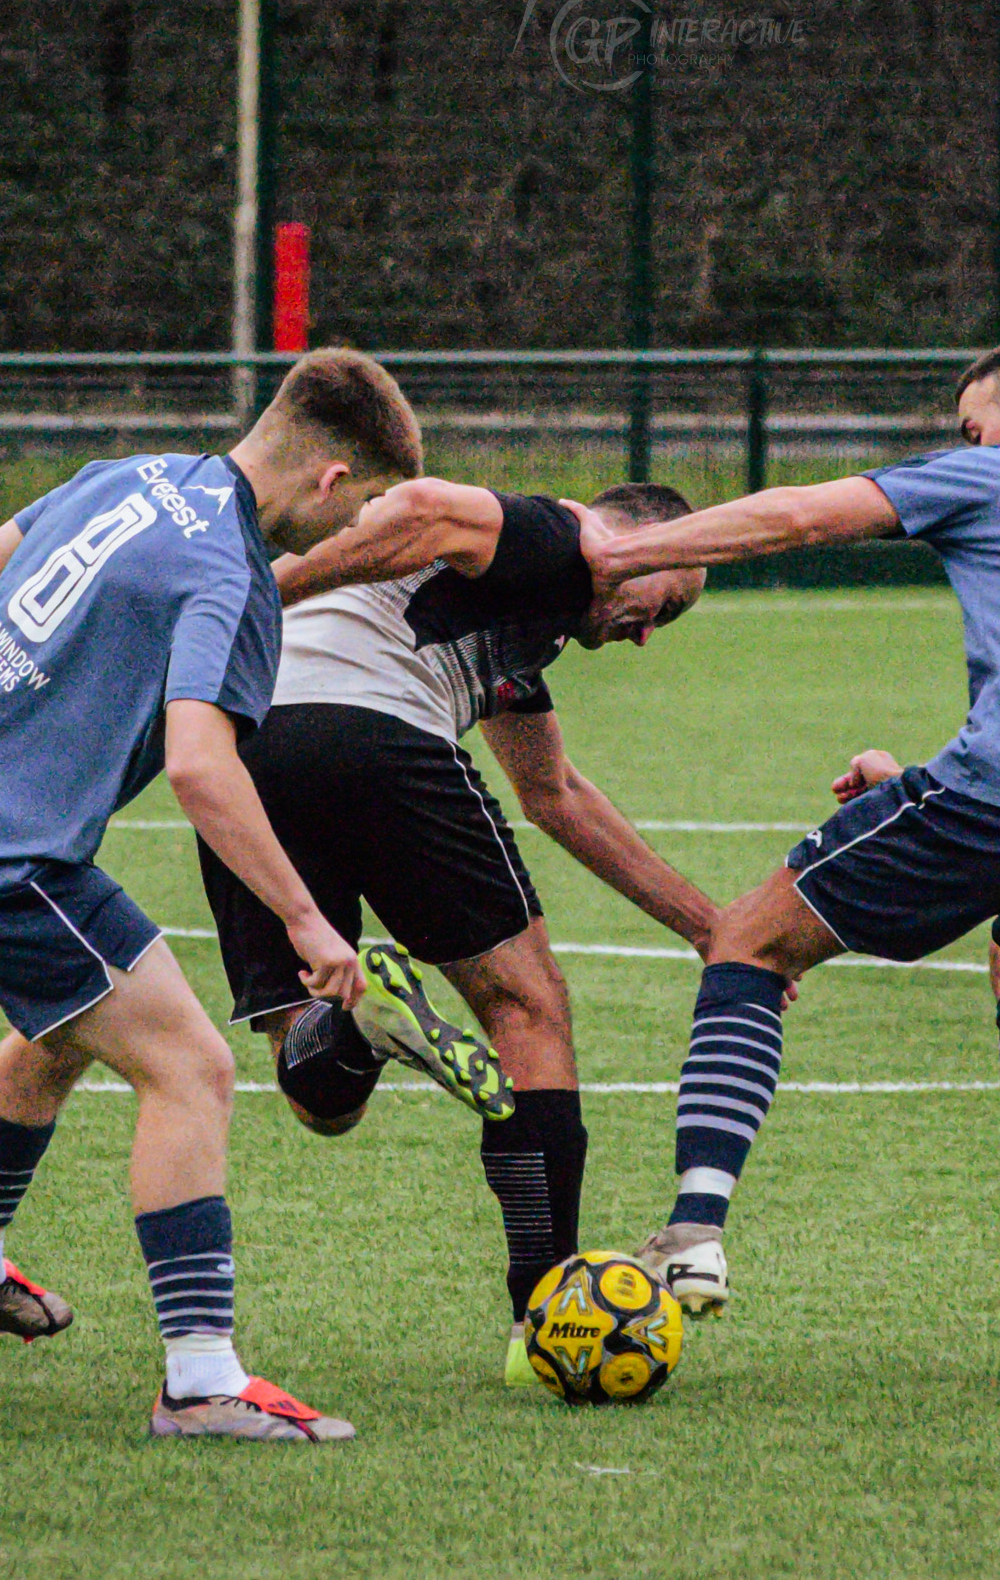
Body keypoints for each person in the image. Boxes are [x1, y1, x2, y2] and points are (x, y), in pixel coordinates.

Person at [580, 329, 1000, 1380]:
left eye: (972, 429)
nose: (963, 449)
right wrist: (923, 774)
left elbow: (797, 514)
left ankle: (691, 1231)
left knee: (746, 939)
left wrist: (619, 552)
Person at [0, 348, 422, 1443]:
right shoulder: (231, 573)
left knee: (63, 1025)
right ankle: (199, 1379)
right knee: (191, 1065)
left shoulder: (128, 475)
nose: (354, 533)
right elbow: (200, 766)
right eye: (367, 505)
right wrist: (305, 918)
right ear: (332, 477)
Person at [196, 476, 717, 1386]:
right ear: (633, 542)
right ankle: (544, 1318)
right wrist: (251, 588)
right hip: (380, 732)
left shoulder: (516, 614)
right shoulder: (562, 540)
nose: (641, 635)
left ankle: (359, 1027)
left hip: (246, 748)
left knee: (321, 1099)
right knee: (525, 1004)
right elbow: (420, 505)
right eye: (657, 606)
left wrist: (711, 929)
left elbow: (556, 794)